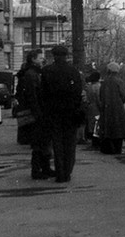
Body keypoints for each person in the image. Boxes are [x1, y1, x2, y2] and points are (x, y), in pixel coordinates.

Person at [40, 45, 83, 183]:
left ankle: (60, 173)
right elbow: (78, 92)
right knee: (70, 144)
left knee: (57, 144)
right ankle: (67, 172)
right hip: (71, 113)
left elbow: (43, 94)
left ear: (53, 55)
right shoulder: (73, 71)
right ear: (66, 55)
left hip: (53, 113)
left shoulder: (47, 71)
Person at [16, 49, 55, 180]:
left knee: (41, 142)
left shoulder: (32, 73)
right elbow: (33, 95)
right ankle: (38, 170)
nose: (42, 60)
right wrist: (38, 113)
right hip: (38, 114)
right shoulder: (32, 74)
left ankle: (44, 168)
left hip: (38, 112)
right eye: (40, 58)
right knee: (39, 143)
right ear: (33, 59)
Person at [98, 62, 125, 155]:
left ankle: (110, 146)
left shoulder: (104, 82)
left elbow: (101, 95)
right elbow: (123, 95)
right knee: (123, 126)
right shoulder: (118, 81)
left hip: (106, 107)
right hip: (117, 106)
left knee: (108, 126)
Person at [84, 72, 101, 146]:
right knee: (97, 123)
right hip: (96, 106)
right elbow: (98, 98)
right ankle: (96, 141)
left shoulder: (89, 86)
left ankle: (92, 140)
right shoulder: (98, 86)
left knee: (91, 123)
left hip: (90, 105)